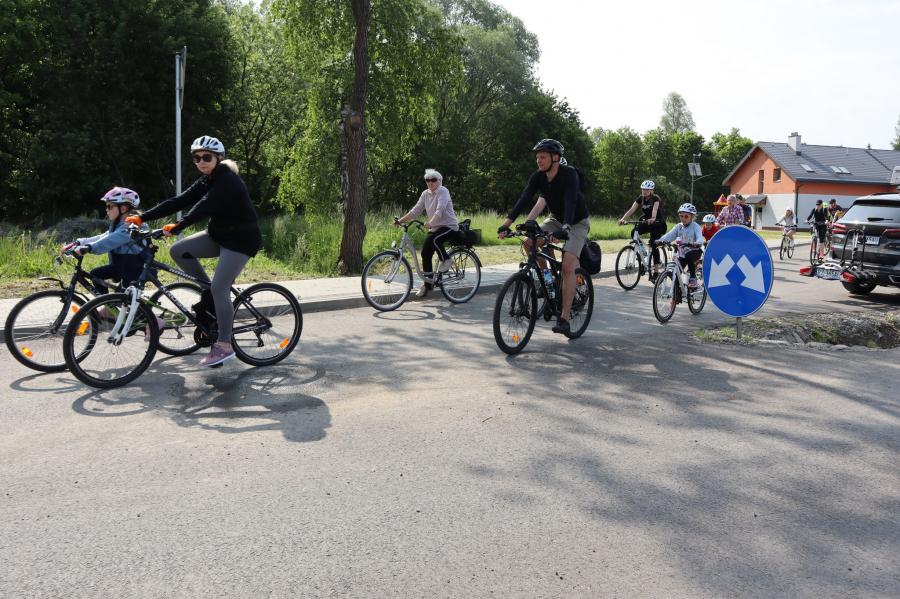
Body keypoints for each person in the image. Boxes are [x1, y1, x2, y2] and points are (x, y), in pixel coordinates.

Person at [128, 135, 262, 368]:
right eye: (196, 158)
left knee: (221, 288)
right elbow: (179, 201)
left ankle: (224, 345)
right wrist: (142, 217)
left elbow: (205, 206)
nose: (201, 161)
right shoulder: (207, 179)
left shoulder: (227, 180)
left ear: (218, 158)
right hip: (219, 235)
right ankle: (209, 291)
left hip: (241, 240)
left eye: (206, 157)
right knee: (179, 250)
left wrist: (179, 225)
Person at [498, 138, 590, 336]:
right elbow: (524, 198)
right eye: (537, 157)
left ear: (555, 158)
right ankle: (548, 281)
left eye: (542, 157)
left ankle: (564, 318)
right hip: (556, 219)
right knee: (528, 243)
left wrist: (565, 227)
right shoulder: (538, 177)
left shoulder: (569, 174)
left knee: (568, 266)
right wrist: (506, 224)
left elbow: (570, 201)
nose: (538, 160)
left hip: (576, 223)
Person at [64, 187, 145, 294]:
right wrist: (80, 242)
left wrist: (89, 248)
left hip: (135, 269)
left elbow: (109, 241)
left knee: (125, 300)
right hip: (122, 266)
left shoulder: (131, 226)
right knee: (96, 275)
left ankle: (107, 303)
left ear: (123, 209)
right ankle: (106, 303)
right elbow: (104, 236)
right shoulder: (118, 224)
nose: (106, 209)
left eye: (110, 206)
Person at [395, 169, 459, 298]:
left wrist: (431, 222)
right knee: (425, 253)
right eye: (427, 180)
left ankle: (447, 260)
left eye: (433, 180)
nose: (430, 182)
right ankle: (428, 285)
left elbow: (440, 210)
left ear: (439, 181)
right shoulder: (425, 194)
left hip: (449, 226)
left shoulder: (443, 191)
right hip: (435, 228)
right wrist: (400, 221)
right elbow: (416, 210)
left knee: (435, 240)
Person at [618, 179, 666, 277]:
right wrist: (623, 219)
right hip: (646, 221)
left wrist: (653, 218)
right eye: (643, 189)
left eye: (647, 189)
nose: (644, 191)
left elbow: (655, 209)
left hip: (657, 223)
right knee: (634, 233)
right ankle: (643, 252)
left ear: (651, 190)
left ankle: (656, 271)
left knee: (654, 244)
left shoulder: (655, 198)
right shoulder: (641, 198)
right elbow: (631, 210)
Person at [653, 203, 704, 288]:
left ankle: (693, 278)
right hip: (682, 253)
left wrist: (697, 243)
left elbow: (700, 238)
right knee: (675, 274)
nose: (683, 218)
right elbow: (669, 235)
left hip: (695, 251)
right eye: (681, 216)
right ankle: (677, 294)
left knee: (689, 255)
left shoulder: (695, 226)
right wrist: (660, 240)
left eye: (686, 216)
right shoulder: (678, 226)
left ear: (692, 217)